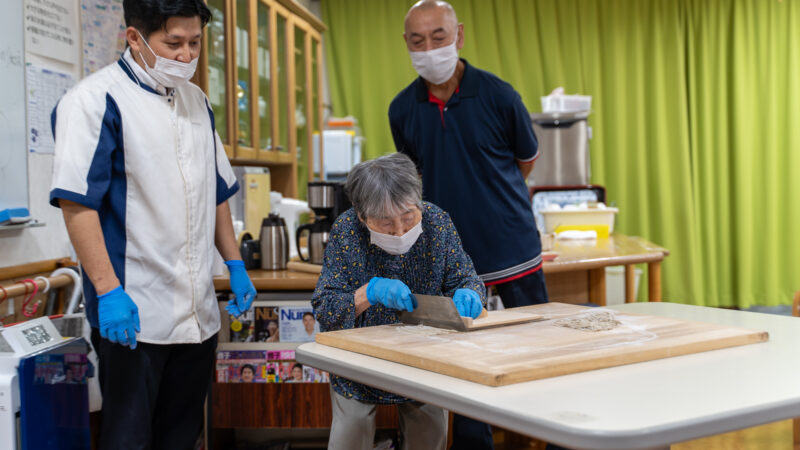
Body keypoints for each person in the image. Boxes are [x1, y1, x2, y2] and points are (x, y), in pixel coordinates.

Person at [49, 1, 256, 448]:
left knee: (181, 437)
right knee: (128, 439)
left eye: (195, 43)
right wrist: (108, 292)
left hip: (197, 315)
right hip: (134, 316)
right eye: (173, 43)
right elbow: (76, 204)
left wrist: (235, 264)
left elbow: (217, 189)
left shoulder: (197, 100)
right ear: (134, 38)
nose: (186, 56)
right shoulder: (92, 101)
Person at [388, 2, 548, 448]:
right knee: (459, 360)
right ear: (406, 45)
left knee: (536, 349)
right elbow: (414, 175)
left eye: (438, 37)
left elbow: (526, 160)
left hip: (512, 249)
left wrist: (492, 200)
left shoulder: (499, 95)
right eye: (417, 41)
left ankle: (547, 434)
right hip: (446, 259)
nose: (429, 49)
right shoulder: (402, 109)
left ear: (458, 34)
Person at [312, 153, 486, 450]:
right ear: (360, 214)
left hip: (425, 354)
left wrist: (469, 293)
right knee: (350, 431)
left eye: (408, 217)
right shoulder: (345, 230)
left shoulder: (437, 222)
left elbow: (466, 278)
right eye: (385, 223)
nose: (400, 231)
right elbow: (325, 307)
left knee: (429, 433)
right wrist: (369, 292)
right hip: (359, 356)